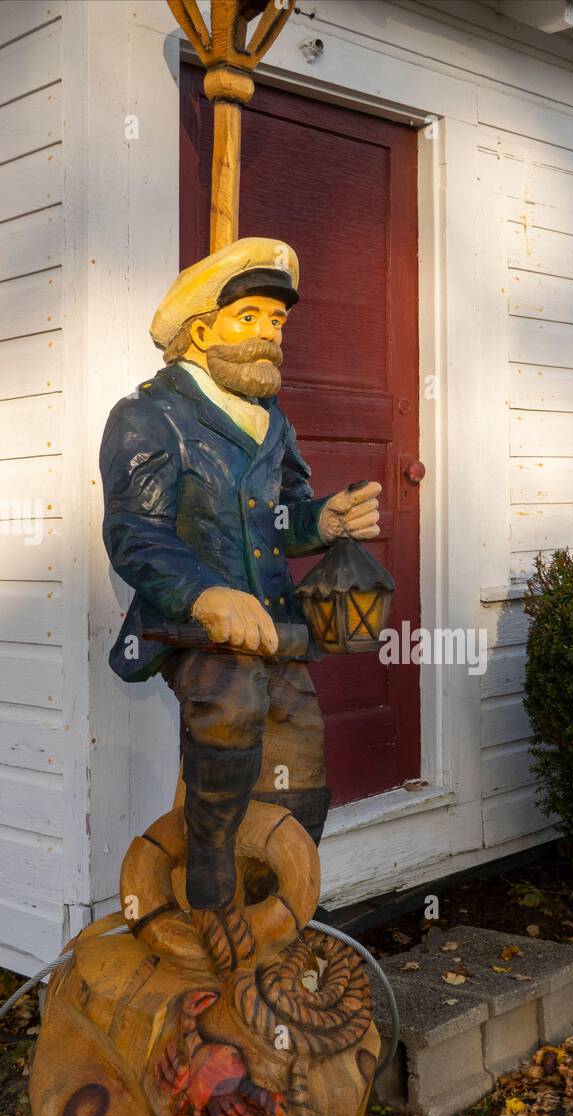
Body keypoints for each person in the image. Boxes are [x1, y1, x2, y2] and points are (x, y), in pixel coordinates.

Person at [100, 237, 380, 975]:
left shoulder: (271, 419)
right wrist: (206, 592)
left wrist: (322, 521)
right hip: (195, 627)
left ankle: (282, 886)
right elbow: (136, 532)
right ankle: (213, 884)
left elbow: (279, 519)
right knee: (228, 709)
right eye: (247, 316)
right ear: (200, 331)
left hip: (278, 628)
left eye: (277, 322)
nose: (267, 332)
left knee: (298, 737)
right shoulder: (149, 417)